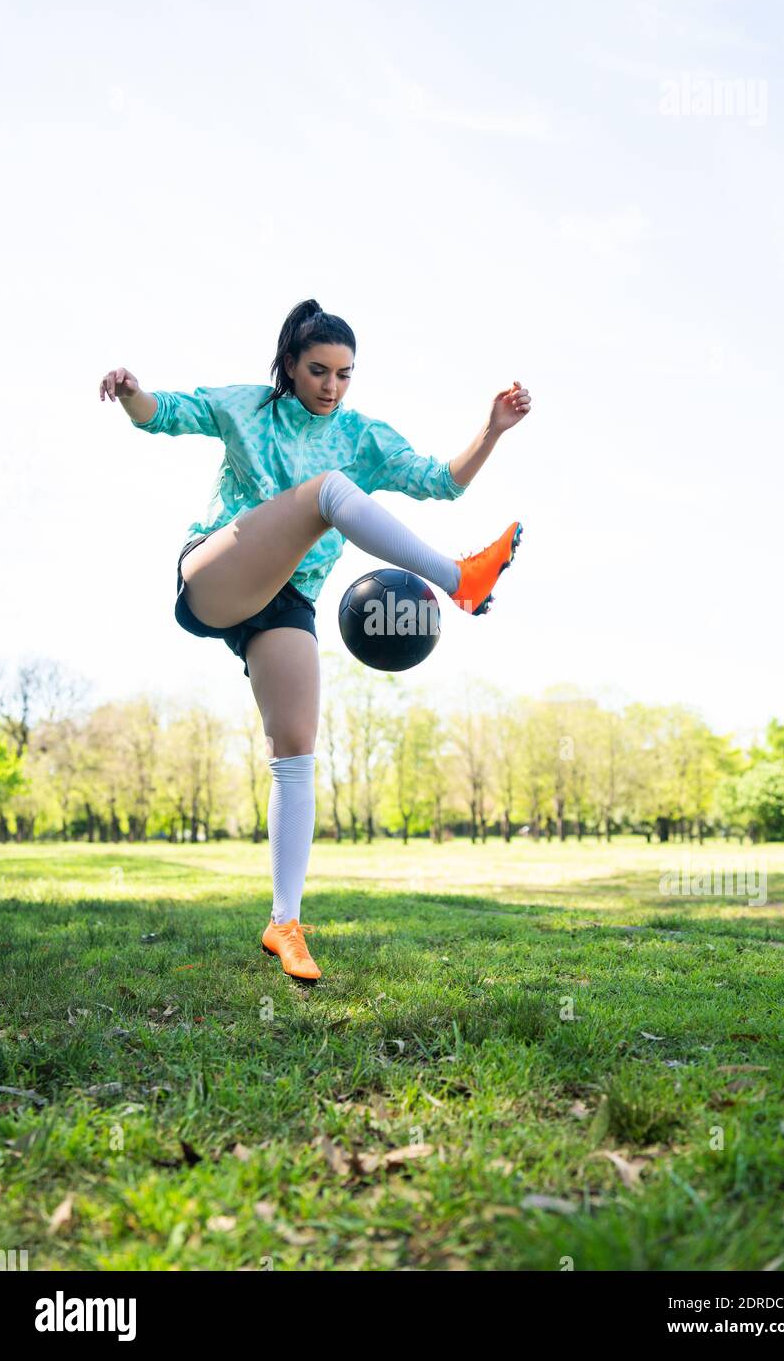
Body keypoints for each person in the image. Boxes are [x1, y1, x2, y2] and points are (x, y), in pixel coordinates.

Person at [99, 298, 531, 981]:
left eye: (344, 373)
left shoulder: (362, 435)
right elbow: (164, 413)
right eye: (318, 370)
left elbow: (438, 483)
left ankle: (284, 923)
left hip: (286, 601)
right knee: (325, 490)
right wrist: (130, 392)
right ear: (289, 367)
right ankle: (460, 578)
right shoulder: (246, 408)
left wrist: (492, 430)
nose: (331, 385)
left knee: (295, 747)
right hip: (220, 569)